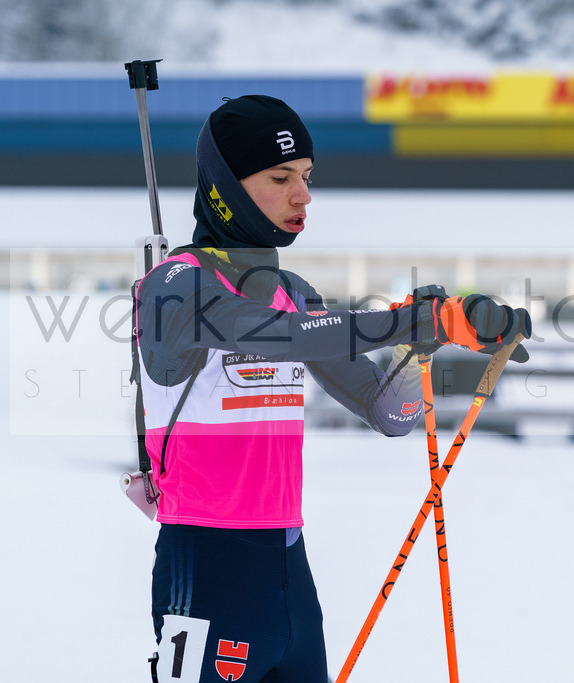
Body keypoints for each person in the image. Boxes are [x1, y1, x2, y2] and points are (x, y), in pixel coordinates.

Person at [133, 94, 530, 682]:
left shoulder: (292, 289)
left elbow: (391, 413)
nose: (303, 196)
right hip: (207, 564)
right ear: (226, 188)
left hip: (288, 571)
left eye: (307, 177)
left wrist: (423, 352)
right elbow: (281, 335)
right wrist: (414, 320)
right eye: (280, 178)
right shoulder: (174, 284)